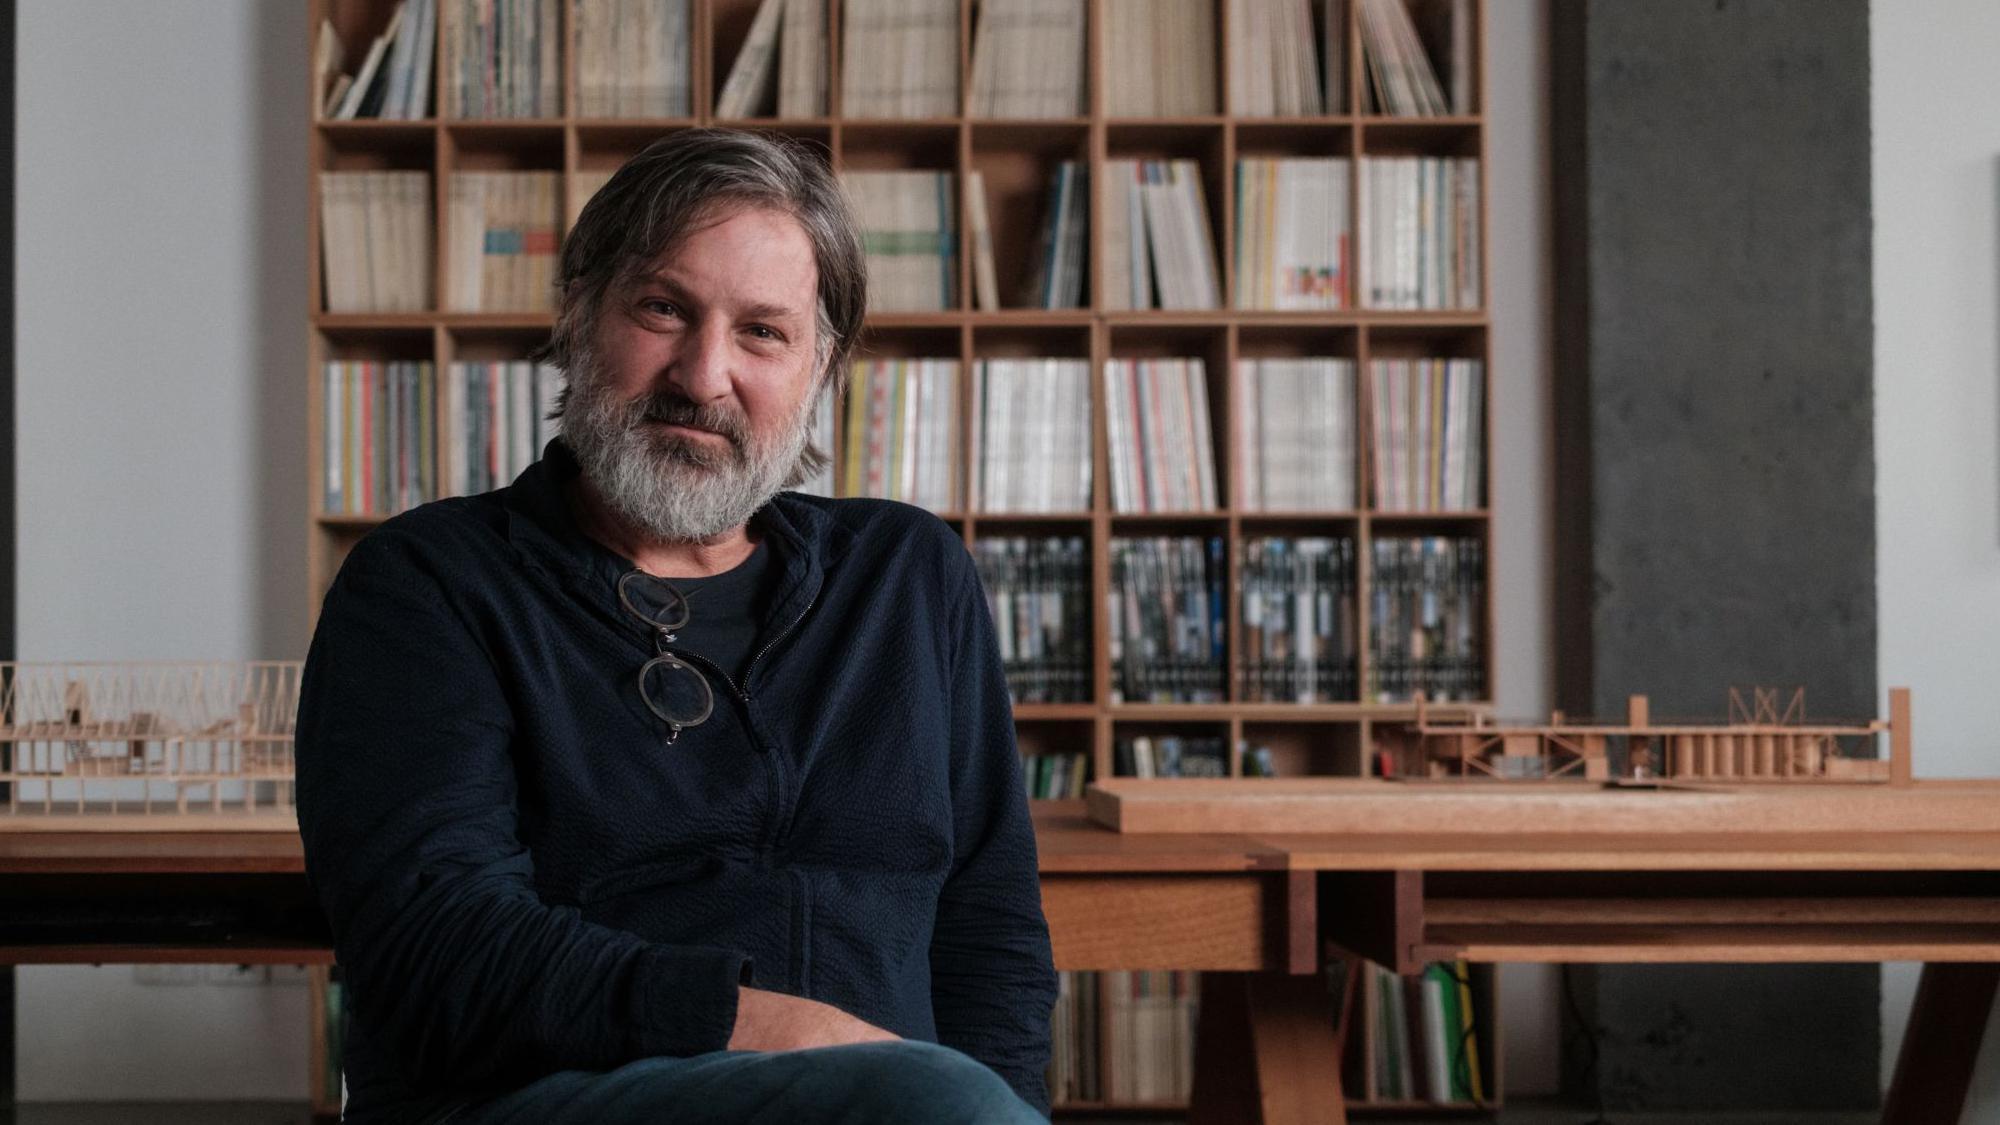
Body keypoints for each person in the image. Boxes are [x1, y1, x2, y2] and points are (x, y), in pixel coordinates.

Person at [295, 128, 1056, 1125]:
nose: (702, 376)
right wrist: (780, 1032)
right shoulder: (427, 584)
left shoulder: (908, 576)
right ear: (579, 313)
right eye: (663, 309)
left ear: (821, 366)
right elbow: (437, 942)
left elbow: (990, 936)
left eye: (763, 332)